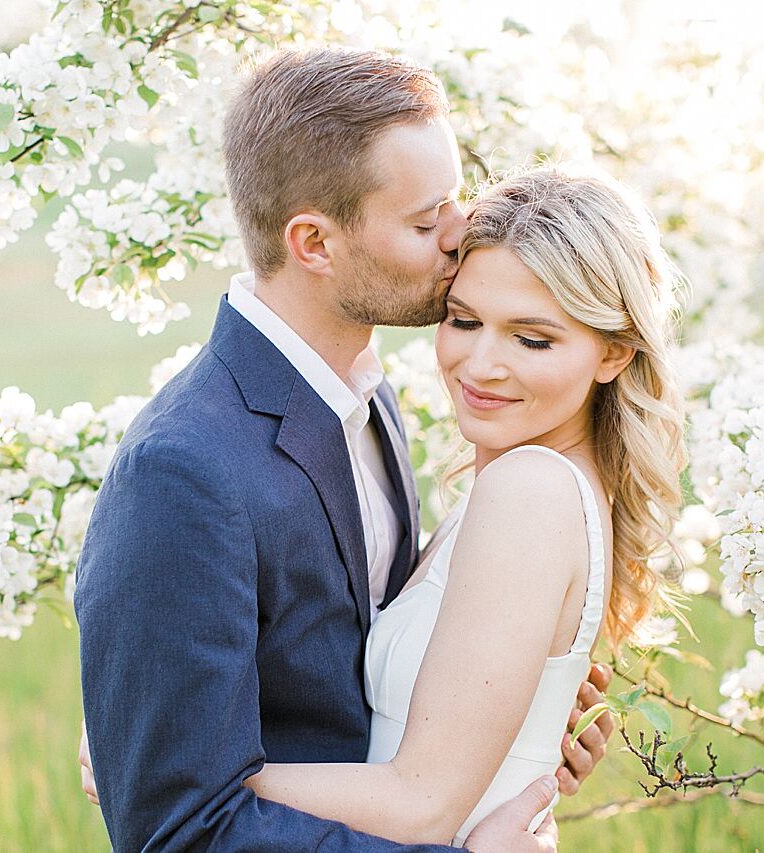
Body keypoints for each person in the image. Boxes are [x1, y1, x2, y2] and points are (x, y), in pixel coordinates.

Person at [74, 49, 613, 852]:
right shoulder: (184, 470)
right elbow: (181, 829)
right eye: (427, 221)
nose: (461, 232)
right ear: (314, 243)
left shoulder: (364, 396)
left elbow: (361, 672)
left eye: (455, 203)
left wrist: (512, 716)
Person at [234, 166, 687, 845]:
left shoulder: (530, 491)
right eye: (464, 320)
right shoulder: (528, 482)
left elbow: (420, 803)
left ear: (614, 353)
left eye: (532, 338)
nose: (480, 364)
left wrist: (169, 768)